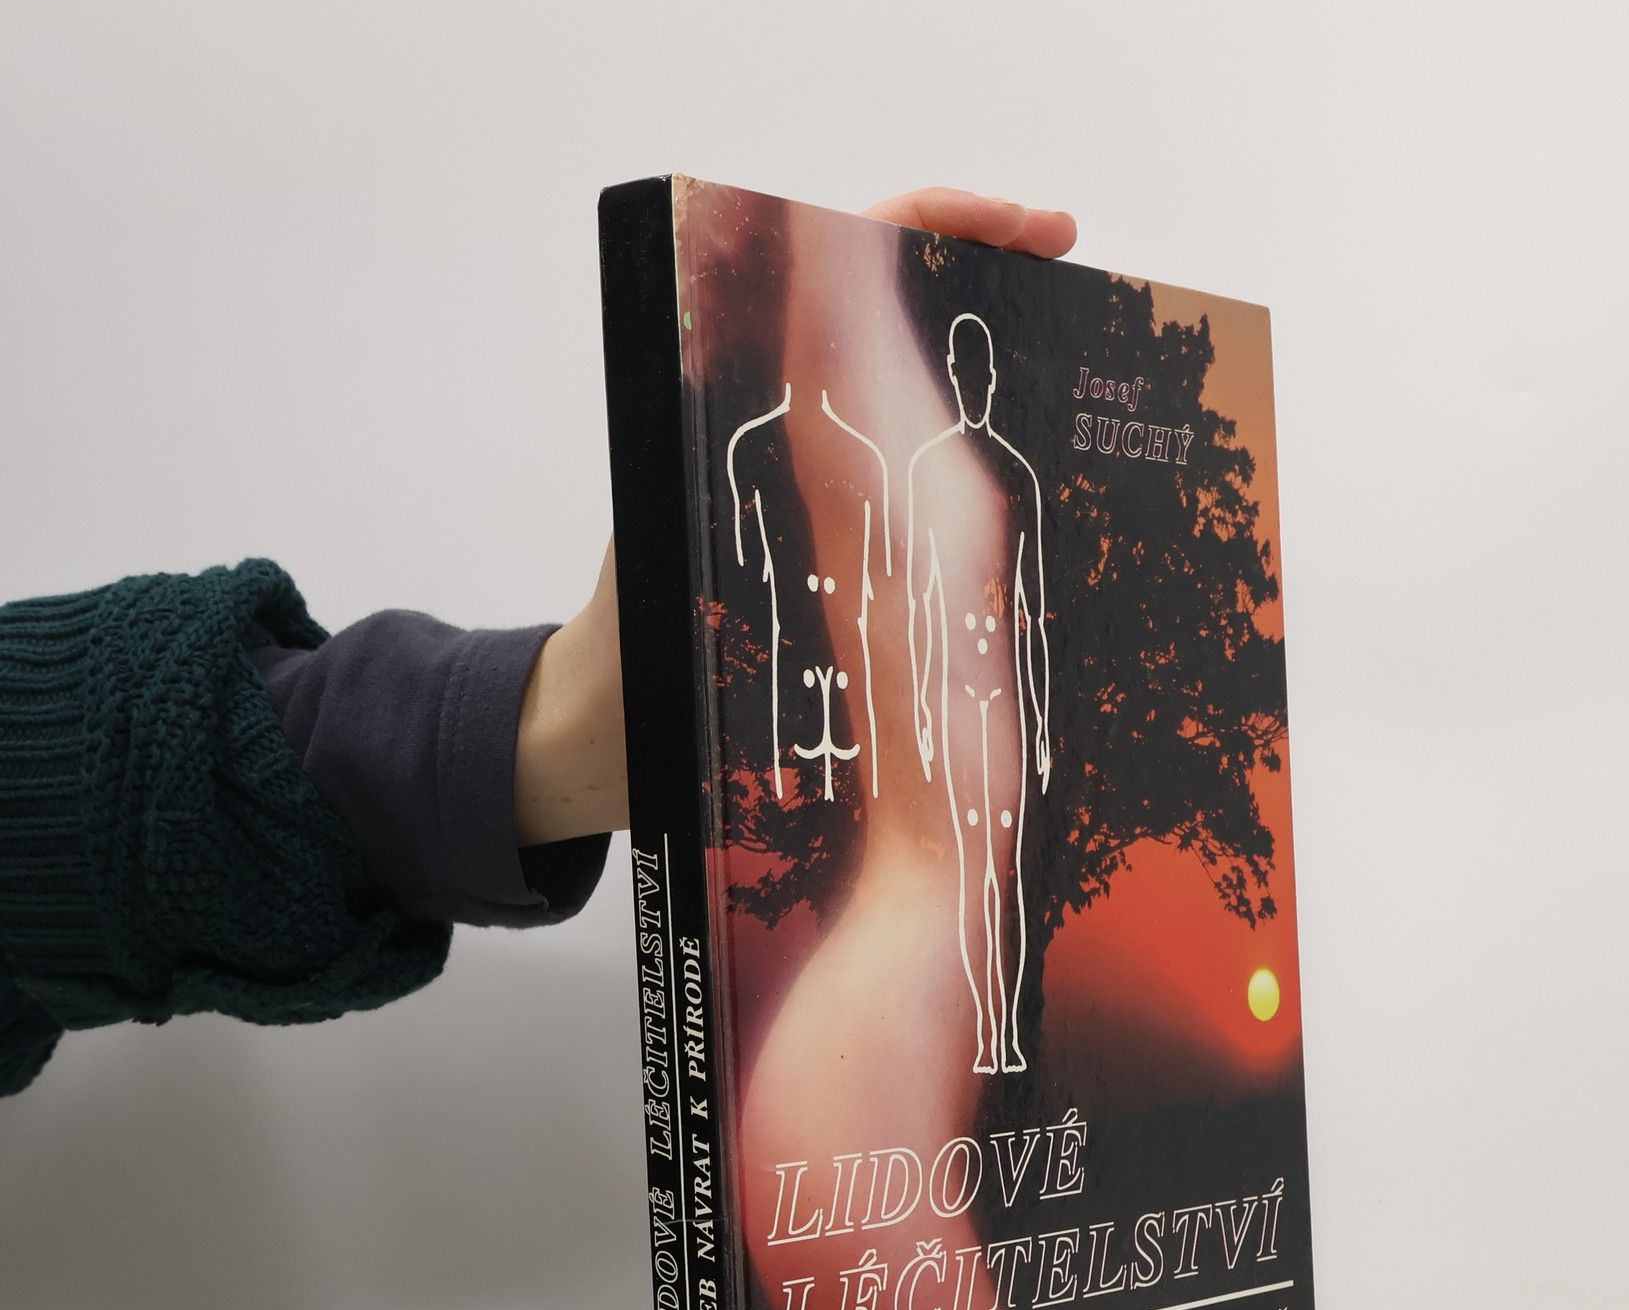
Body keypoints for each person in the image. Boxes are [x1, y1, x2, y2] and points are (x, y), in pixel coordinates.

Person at [0, 189, 1077, 1098]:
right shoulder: (844, 460)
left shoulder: (996, 477)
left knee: (995, 903)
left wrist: (546, 730)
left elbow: (1017, 609)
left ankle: (1006, 1027)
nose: (977, 384)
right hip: (847, 790)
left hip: (937, 751)